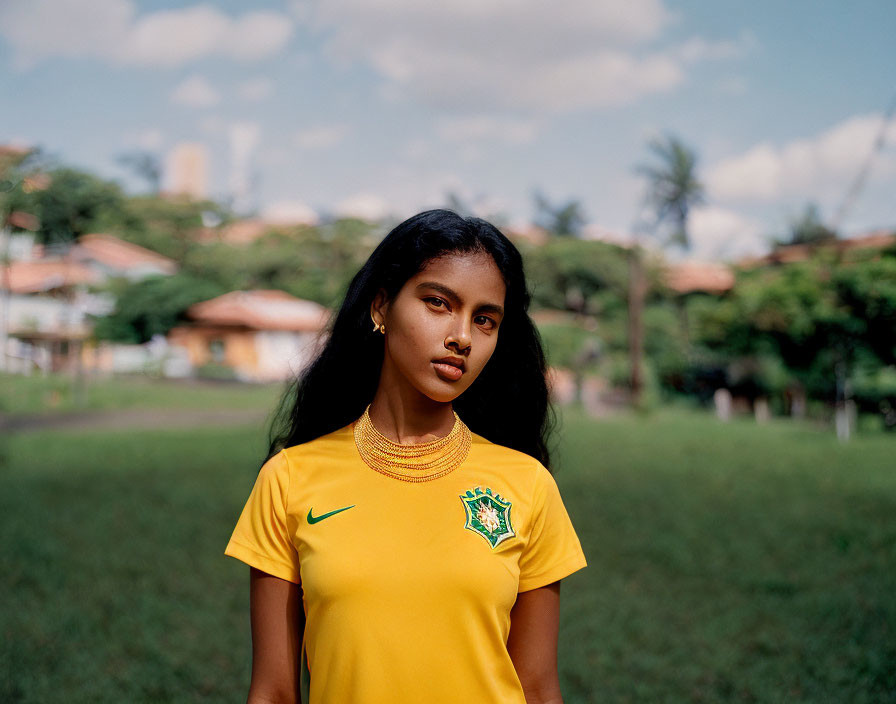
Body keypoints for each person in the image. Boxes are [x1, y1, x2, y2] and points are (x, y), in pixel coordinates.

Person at [224, 209, 587, 704]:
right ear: (380, 307)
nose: (462, 336)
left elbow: (540, 690)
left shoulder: (527, 484)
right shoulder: (290, 479)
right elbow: (273, 692)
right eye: (439, 303)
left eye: (485, 319)